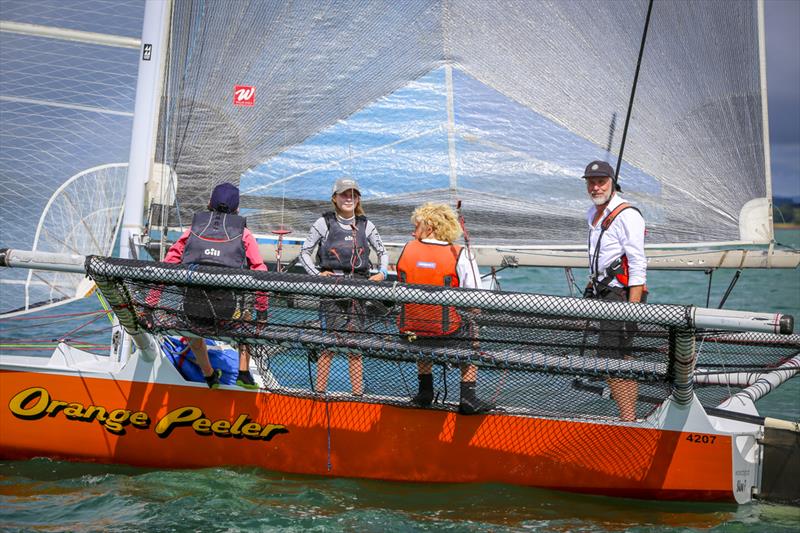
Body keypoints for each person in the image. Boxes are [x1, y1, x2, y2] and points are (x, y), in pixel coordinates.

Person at [162, 182, 267, 389]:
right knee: (246, 317)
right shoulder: (244, 233)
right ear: (237, 209)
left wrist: (152, 300)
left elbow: (170, 261)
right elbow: (259, 269)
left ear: (209, 203)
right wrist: (262, 312)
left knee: (192, 328)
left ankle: (209, 375)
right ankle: (244, 373)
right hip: (225, 313)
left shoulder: (194, 229)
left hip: (193, 310)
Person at [396, 202, 492, 415]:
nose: (413, 231)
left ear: (430, 227)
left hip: (410, 331)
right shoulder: (459, 253)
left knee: (422, 323)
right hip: (446, 332)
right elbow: (477, 300)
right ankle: (468, 397)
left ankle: (425, 392)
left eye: (417, 226)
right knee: (472, 328)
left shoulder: (407, 248)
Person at [299, 177, 389, 395]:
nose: (349, 198)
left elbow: (383, 252)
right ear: (335, 198)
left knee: (355, 345)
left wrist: (382, 274)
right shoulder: (324, 223)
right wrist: (318, 275)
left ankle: (357, 395)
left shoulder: (366, 225)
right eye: (344, 194)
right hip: (331, 289)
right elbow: (304, 253)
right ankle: (320, 393)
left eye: (353, 195)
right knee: (328, 342)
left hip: (358, 288)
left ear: (358, 200)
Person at [581, 160, 647, 422]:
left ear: (612, 183)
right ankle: (629, 417)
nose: (596, 187)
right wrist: (593, 282)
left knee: (610, 360)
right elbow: (603, 255)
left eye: (601, 182)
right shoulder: (592, 213)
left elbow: (639, 261)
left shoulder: (627, 214)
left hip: (620, 295)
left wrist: (633, 307)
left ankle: (627, 420)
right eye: (591, 182)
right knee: (621, 359)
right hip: (601, 291)